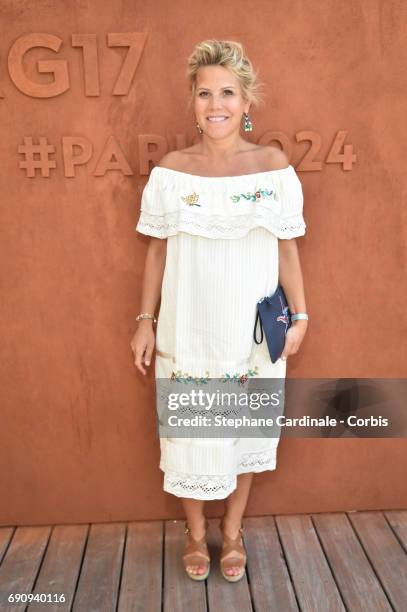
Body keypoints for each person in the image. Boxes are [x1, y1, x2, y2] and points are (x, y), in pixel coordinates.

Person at [131, 39, 308, 583]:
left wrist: (301, 316)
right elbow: (157, 249)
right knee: (191, 433)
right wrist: (144, 321)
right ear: (192, 101)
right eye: (205, 93)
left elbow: (286, 248)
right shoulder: (171, 173)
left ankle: (231, 532)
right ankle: (193, 532)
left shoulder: (273, 168)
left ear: (246, 101)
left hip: (251, 334)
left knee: (245, 431)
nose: (216, 104)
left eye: (227, 93)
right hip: (187, 332)